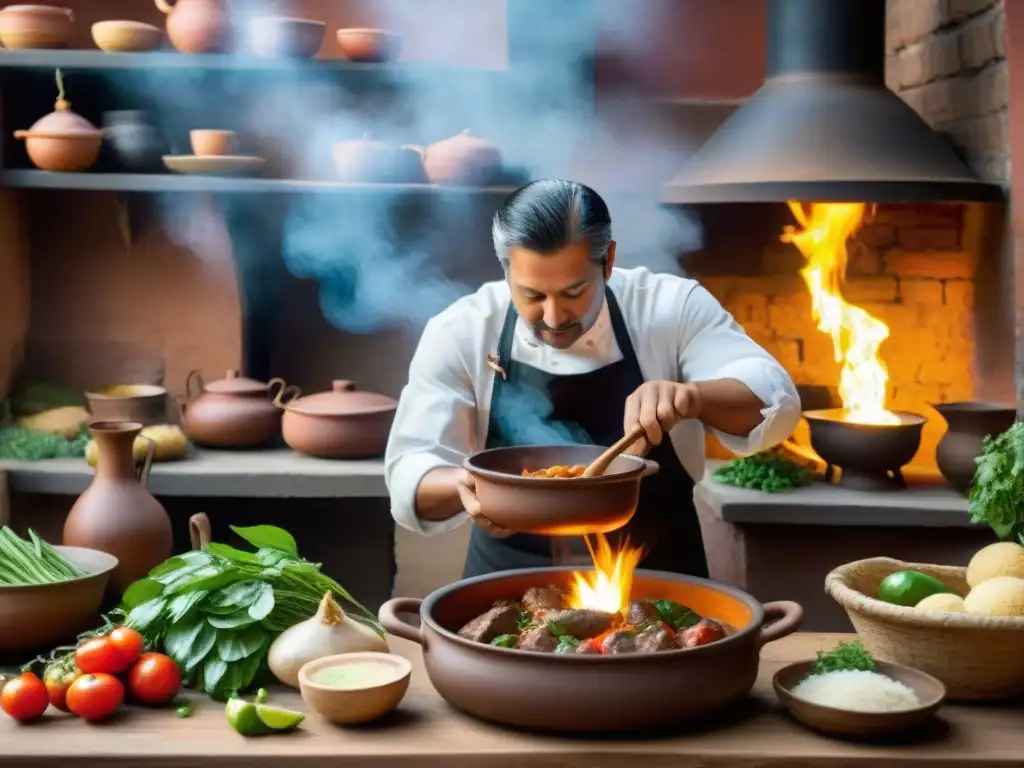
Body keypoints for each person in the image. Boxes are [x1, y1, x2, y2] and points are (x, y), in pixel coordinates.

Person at [385, 179, 801, 579]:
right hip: (504, 589)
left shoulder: (670, 308)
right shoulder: (463, 330)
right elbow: (410, 473)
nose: (552, 318)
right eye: (532, 295)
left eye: (573, 292)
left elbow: (775, 403)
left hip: (660, 588)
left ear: (609, 261)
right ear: (506, 269)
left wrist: (692, 397)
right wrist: (467, 485)